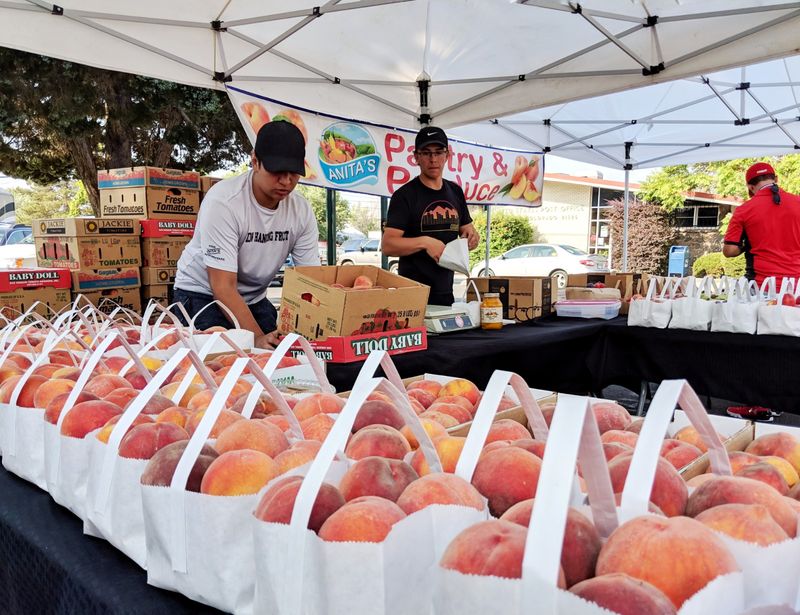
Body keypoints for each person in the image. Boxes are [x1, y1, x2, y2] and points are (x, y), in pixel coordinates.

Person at [173, 120, 319, 348]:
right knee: (220, 366)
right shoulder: (224, 202)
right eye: (277, 171)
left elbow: (310, 280)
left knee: (279, 358)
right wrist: (256, 338)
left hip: (254, 298)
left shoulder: (301, 210)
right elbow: (222, 286)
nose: (286, 181)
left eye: (294, 173)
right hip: (201, 294)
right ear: (255, 162)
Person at [381, 126, 479, 305]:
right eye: (426, 153)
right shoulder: (404, 195)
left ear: (447, 155)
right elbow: (388, 245)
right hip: (412, 296)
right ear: (416, 157)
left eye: (438, 152)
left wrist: (472, 238)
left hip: (446, 292)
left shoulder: (455, 191)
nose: (433, 159)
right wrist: (425, 242)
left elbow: (468, 230)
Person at [723, 162, 800, 285]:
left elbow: (729, 251)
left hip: (761, 285)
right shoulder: (798, 202)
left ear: (750, 187)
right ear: (776, 179)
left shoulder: (744, 210)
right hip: (797, 286)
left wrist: (746, 245)